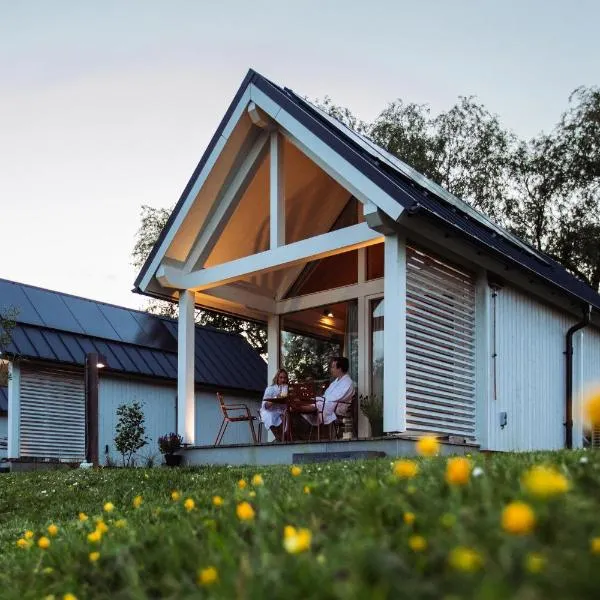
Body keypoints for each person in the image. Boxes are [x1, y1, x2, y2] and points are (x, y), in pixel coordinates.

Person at [302, 357, 354, 427]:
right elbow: (326, 395)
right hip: (330, 403)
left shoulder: (348, 382)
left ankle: (301, 408)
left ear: (340, 368)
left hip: (338, 406)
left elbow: (338, 397)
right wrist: (321, 399)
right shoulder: (335, 382)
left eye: (333, 367)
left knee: (319, 404)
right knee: (315, 401)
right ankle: (301, 407)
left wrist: (322, 400)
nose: (331, 370)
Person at [260, 368, 289, 441]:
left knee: (291, 416)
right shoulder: (270, 389)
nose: (283, 380)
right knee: (272, 416)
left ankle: (286, 437)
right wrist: (276, 398)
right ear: (277, 378)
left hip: (283, 411)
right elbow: (265, 406)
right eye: (281, 377)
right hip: (270, 411)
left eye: (285, 378)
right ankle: (279, 437)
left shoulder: (288, 389)